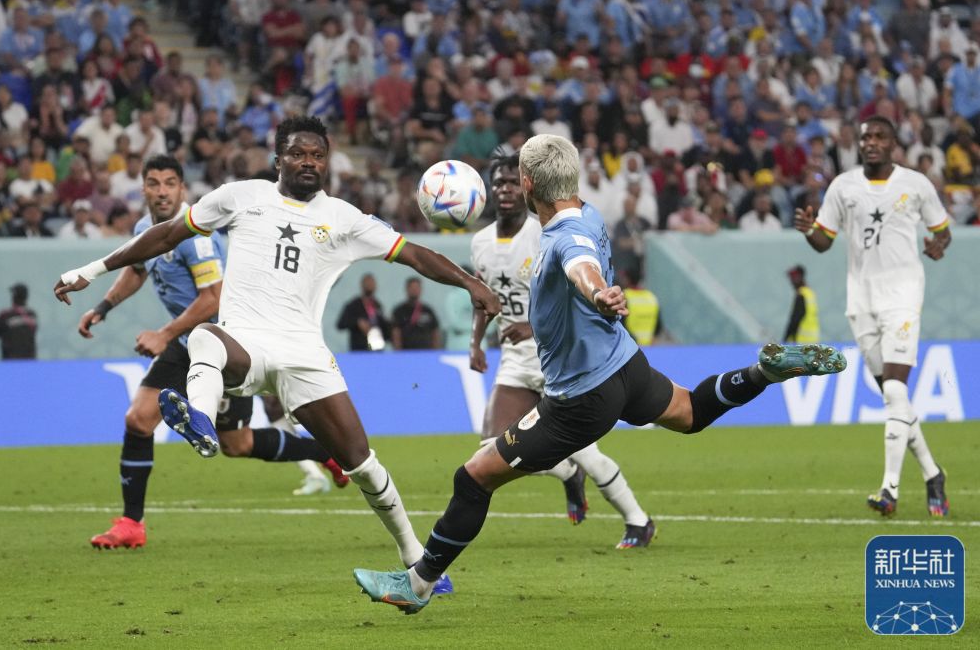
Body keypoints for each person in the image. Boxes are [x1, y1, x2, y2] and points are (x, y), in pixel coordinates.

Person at [353, 134, 847, 614]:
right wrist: (595, 293)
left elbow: (580, 266)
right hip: (626, 365)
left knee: (473, 477)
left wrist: (598, 293)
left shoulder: (562, 237)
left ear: (527, 184)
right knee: (691, 412)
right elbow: (582, 255)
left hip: (580, 397)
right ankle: (762, 372)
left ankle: (418, 584)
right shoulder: (586, 213)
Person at [54, 117, 499, 583]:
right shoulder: (239, 196)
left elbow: (415, 254)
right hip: (245, 345)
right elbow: (165, 235)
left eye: (317, 155)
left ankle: (419, 564)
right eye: (298, 154)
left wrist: (470, 283)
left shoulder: (345, 218)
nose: (308, 162)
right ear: (278, 159)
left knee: (363, 465)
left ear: (327, 162)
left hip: (305, 357)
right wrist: (91, 270)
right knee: (204, 335)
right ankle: (200, 418)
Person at [70, 155, 348, 550]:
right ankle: (132, 523)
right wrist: (103, 307)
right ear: (143, 188)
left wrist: (164, 333)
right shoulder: (145, 229)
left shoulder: (196, 237)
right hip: (184, 341)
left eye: (170, 183)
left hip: (223, 343)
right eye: (154, 183)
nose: (162, 191)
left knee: (237, 444)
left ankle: (325, 451)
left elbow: (212, 297)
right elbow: (136, 270)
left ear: (182, 188)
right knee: (138, 420)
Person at [470, 154, 653, 547]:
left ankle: (638, 520)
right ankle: (566, 473)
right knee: (490, 447)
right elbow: (481, 296)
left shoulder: (543, 232)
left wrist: (532, 325)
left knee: (587, 452)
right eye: (497, 182)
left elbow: (570, 289)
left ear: (525, 186)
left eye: (511, 181)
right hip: (514, 359)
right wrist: (475, 342)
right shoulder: (479, 242)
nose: (505, 189)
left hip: (558, 354)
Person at [793, 115, 951, 518]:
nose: (872, 142)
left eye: (880, 136)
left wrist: (939, 245)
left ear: (894, 144)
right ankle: (933, 473)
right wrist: (809, 230)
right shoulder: (843, 186)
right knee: (895, 399)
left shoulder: (916, 184)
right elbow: (824, 242)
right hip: (861, 300)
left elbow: (942, 230)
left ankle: (889, 489)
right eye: (866, 137)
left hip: (903, 295)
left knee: (895, 390)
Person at [336, 273, 390, 351]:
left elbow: (385, 329)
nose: (369, 285)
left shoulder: (378, 305)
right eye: (367, 283)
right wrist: (357, 322)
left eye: (372, 283)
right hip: (359, 350)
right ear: (362, 285)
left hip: (377, 350)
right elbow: (340, 324)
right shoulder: (353, 305)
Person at [391, 277, 441, 350]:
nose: (414, 290)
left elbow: (435, 332)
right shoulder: (399, 311)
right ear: (407, 289)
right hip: (406, 352)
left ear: (421, 290)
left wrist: (436, 352)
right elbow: (396, 332)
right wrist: (398, 353)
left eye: (417, 287)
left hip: (426, 352)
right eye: (412, 288)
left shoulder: (428, 311)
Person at [0, 283, 37, 359]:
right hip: (28, 361)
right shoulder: (31, 315)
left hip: (11, 361)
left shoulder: (5, 315)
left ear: (14, 297)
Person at [783, 265, 820, 343]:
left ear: (800, 277)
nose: (792, 281)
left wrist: (785, 339)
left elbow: (795, 319)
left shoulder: (801, 294)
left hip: (801, 341)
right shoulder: (810, 293)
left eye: (794, 277)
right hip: (813, 340)